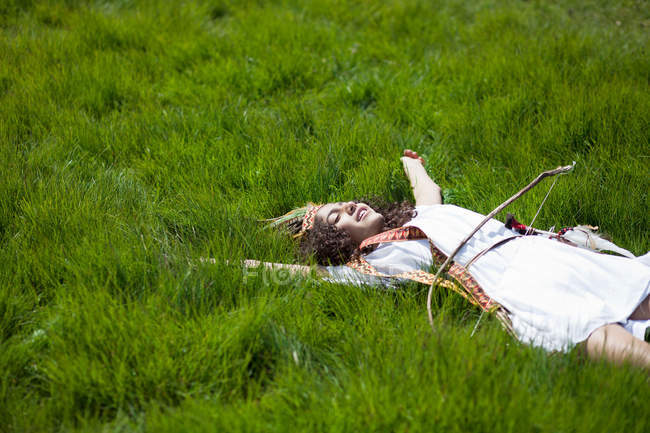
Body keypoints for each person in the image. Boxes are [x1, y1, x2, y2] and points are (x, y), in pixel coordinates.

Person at [251, 150, 650, 369]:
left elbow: (429, 192)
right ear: (336, 243)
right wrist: (217, 264)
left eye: (344, 203)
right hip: (515, 286)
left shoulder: (421, 216)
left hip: (539, 252)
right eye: (335, 217)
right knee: (590, 327)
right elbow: (303, 275)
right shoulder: (378, 262)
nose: (349, 207)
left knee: (633, 286)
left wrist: (412, 165)